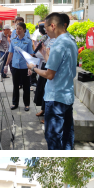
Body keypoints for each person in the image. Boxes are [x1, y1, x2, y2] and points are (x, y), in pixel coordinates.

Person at [28, 12, 78, 150]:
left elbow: (49, 74)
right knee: (67, 135)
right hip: (67, 96)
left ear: (53, 26)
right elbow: (56, 65)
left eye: (46, 28)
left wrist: (33, 68)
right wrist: (44, 53)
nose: (45, 31)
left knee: (53, 137)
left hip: (56, 98)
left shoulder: (58, 44)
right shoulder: (71, 40)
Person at [5, 22, 35, 111]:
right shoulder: (13, 40)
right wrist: (6, 65)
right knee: (15, 85)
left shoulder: (28, 41)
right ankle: (15, 103)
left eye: (20, 29)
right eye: (17, 29)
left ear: (24, 30)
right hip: (15, 66)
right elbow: (10, 53)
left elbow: (30, 54)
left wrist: (30, 67)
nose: (18, 30)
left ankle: (26, 104)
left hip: (25, 66)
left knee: (26, 86)